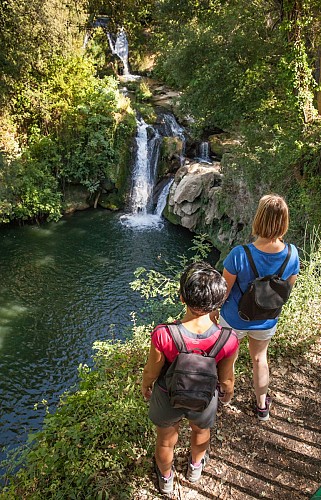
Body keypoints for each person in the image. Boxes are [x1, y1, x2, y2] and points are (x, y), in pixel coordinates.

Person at [142, 261, 239, 494]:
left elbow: (151, 371)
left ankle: (165, 479)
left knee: (165, 440)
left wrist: (146, 386)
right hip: (204, 396)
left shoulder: (164, 334)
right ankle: (195, 467)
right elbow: (226, 379)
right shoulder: (228, 338)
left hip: (167, 394)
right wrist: (227, 394)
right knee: (201, 431)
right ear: (218, 302)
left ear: (182, 297)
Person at [216, 194, 300, 421]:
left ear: (258, 219)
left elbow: (224, 292)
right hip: (266, 319)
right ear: (284, 222)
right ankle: (262, 407)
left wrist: (214, 313)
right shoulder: (292, 254)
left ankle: (224, 398)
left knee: (228, 359)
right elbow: (286, 291)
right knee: (260, 358)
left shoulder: (239, 254)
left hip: (234, 318)